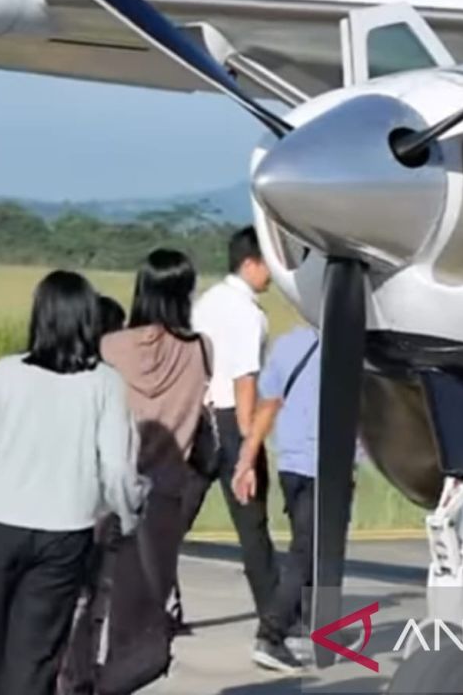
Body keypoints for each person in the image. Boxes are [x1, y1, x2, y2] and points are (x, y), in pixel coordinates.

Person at [0, 270, 147, 695]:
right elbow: (117, 469)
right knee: (36, 656)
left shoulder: (4, 374)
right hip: (65, 535)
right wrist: (127, 514)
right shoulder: (104, 383)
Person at [62, 249, 213, 691]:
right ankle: (116, 683)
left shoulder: (110, 347)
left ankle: (75, 681)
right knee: (140, 611)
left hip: (103, 492)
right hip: (163, 496)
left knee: (85, 598)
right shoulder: (202, 349)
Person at [190, 226, 282, 666]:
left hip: (198, 417)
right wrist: (249, 443)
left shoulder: (206, 302)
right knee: (253, 527)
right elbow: (246, 378)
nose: (274, 275)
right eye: (270, 264)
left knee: (172, 520)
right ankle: (275, 620)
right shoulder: (248, 312)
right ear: (251, 263)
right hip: (232, 419)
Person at [233, 323, 321, 672]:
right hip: (323, 466)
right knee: (307, 551)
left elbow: (269, 404)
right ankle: (271, 635)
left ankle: (312, 627)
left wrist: (247, 457)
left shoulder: (288, 344)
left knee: (313, 549)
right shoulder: (353, 348)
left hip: (291, 463)